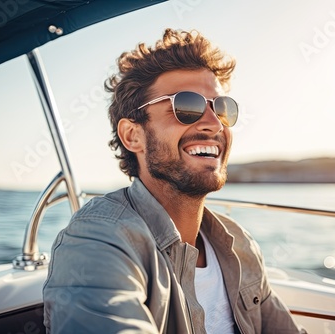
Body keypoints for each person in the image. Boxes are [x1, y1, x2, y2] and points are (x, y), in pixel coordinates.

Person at [43, 28, 304, 334]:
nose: (213, 124)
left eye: (222, 108)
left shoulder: (238, 243)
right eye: (187, 106)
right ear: (133, 135)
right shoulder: (97, 240)